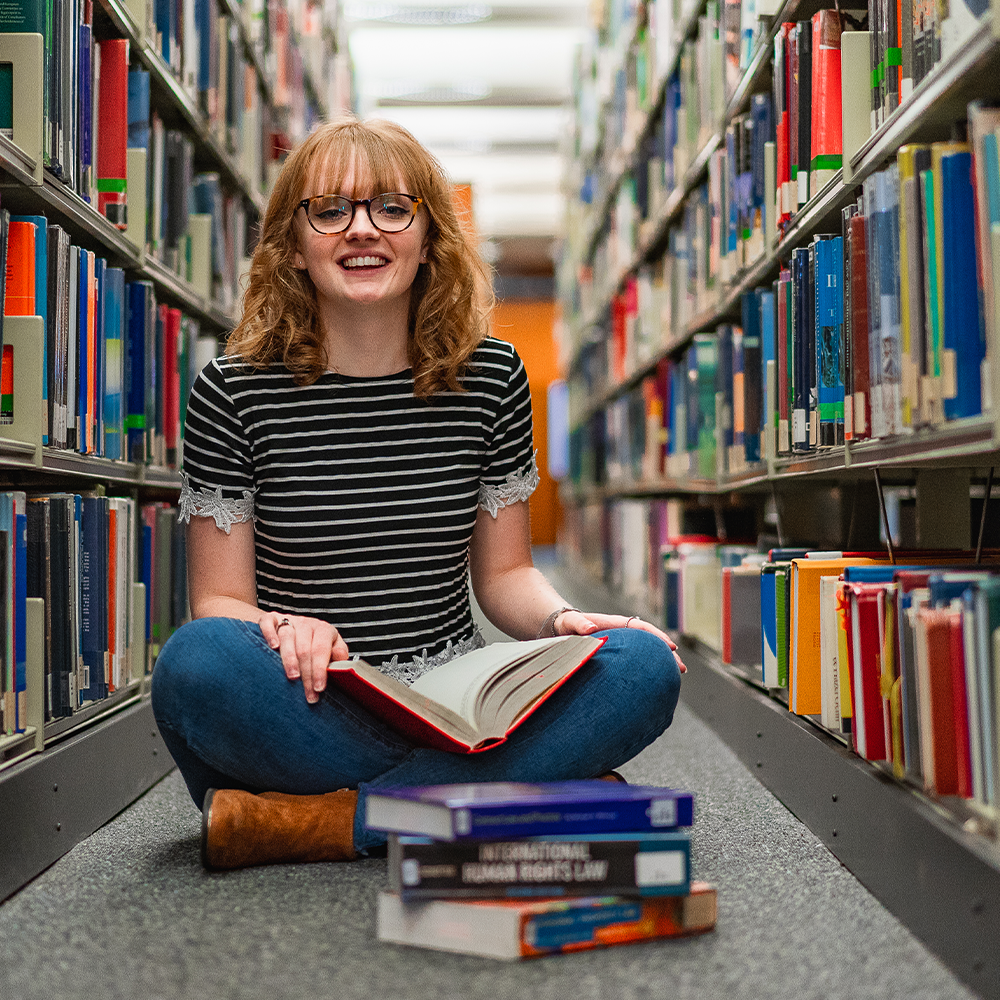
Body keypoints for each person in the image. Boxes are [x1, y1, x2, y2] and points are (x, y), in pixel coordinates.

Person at [151, 115, 685, 870]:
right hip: (312, 701)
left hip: (453, 701)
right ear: (293, 248)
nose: (361, 231)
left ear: (429, 235)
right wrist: (280, 627)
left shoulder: (492, 378)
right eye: (330, 210)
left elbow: (503, 577)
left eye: (392, 208)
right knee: (197, 665)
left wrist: (564, 619)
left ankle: (327, 823)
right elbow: (221, 602)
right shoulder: (232, 391)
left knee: (641, 663)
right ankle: (497, 800)